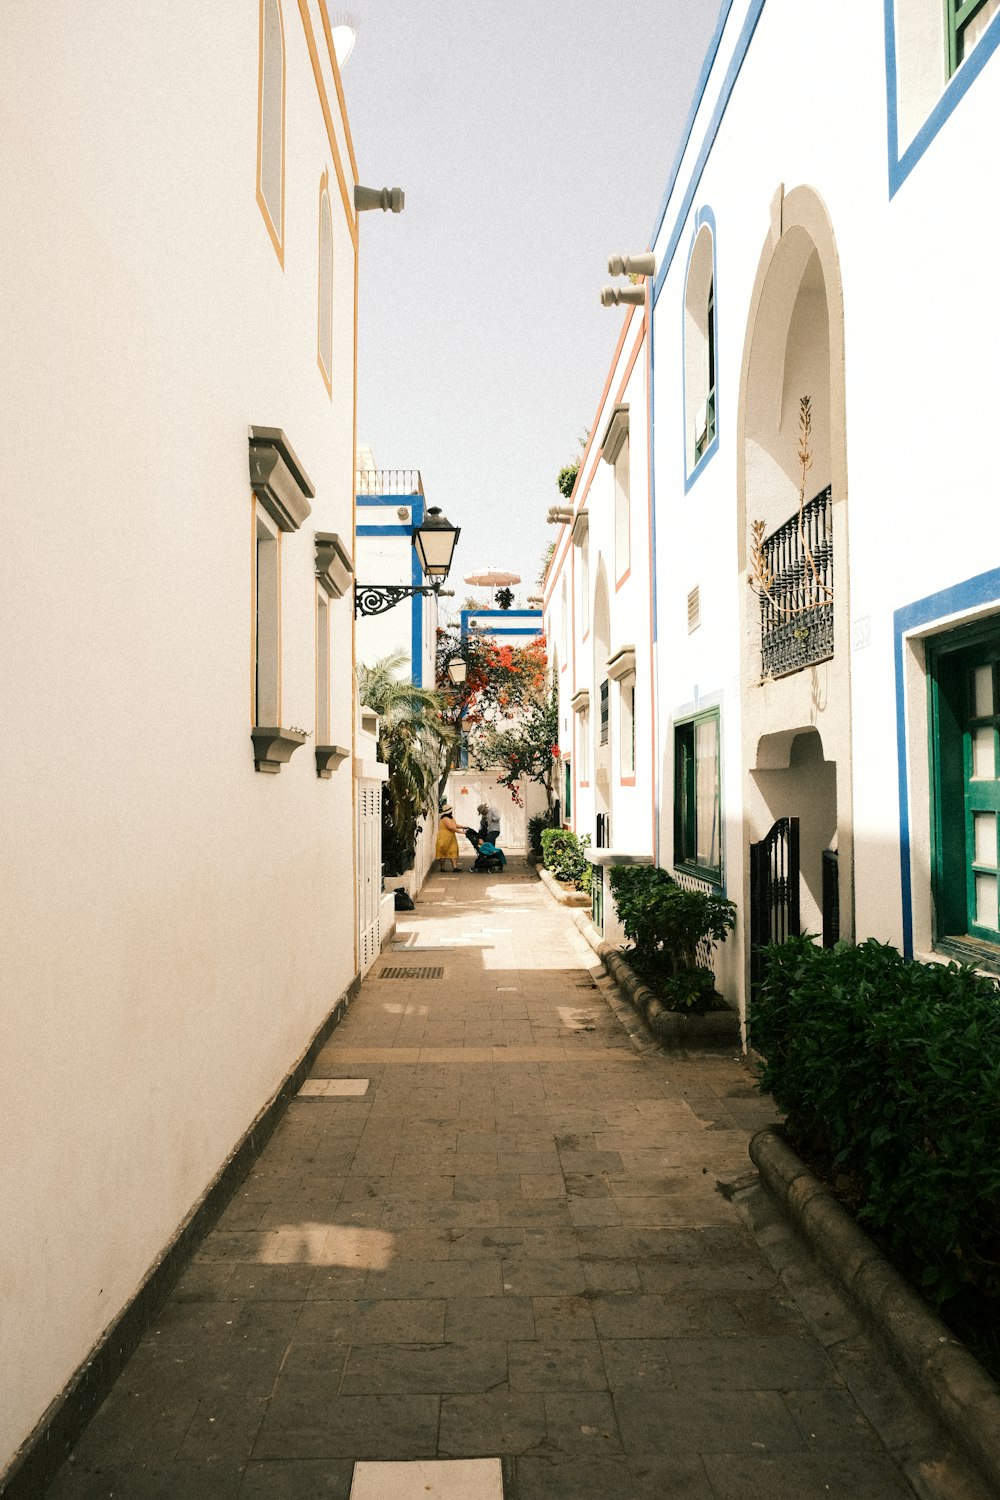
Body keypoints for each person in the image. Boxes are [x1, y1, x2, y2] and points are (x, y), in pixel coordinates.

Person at [435, 804, 463, 872]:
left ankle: (455, 867)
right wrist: (461, 832)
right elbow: (451, 827)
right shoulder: (445, 819)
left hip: (451, 837)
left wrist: (463, 827)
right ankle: (442, 867)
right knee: (443, 852)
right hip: (444, 837)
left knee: (453, 851)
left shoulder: (451, 818)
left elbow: (455, 825)